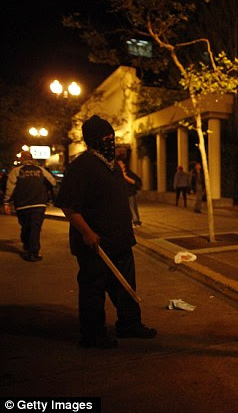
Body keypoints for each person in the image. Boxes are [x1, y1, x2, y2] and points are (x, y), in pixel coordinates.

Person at [55, 115, 156, 349]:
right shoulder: (82, 167)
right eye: (105, 137)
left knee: (126, 287)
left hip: (121, 241)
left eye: (112, 136)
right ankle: (93, 335)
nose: (110, 141)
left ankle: (129, 324)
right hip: (96, 245)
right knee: (93, 290)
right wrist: (87, 232)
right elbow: (68, 206)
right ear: (93, 140)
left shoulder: (113, 167)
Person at [3, 150, 56, 262]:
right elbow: (52, 182)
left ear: (21, 159)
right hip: (39, 203)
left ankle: (28, 247)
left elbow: (10, 187)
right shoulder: (41, 170)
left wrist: (6, 202)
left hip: (22, 204)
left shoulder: (16, 171)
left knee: (26, 226)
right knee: (35, 228)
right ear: (32, 159)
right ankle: (34, 252)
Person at [117, 158, 143, 227]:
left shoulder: (129, 173)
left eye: (121, 163)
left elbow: (135, 182)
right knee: (129, 208)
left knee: (132, 208)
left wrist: (125, 177)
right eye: (118, 163)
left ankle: (136, 221)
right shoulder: (117, 174)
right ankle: (134, 221)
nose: (120, 165)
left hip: (130, 193)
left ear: (124, 165)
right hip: (122, 194)